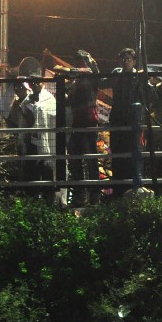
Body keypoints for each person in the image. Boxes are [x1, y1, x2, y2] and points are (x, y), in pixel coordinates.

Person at [59, 50, 100, 206]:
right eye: (77, 60)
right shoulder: (76, 82)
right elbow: (70, 101)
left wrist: (65, 71)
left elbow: (79, 71)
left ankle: (94, 195)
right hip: (78, 122)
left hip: (89, 121)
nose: (79, 63)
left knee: (90, 158)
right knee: (75, 157)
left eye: (82, 60)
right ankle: (80, 194)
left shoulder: (89, 74)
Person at [6, 77, 57, 200]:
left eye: (36, 82)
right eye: (32, 82)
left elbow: (52, 116)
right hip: (30, 141)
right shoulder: (25, 102)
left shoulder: (48, 98)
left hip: (46, 141)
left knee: (45, 168)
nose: (34, 85)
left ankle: (48, 198)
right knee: (30, 170)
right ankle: (32, 198)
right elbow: (20, 123)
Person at [107, 47, 147, 196]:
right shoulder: (116, 74)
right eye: (123, 59)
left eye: (128, 59)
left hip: (131, 120)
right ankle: (118, 190)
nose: (125, 62)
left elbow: (149, 97)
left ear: (134, 61)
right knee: (117, 153)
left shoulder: (138, 77)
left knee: (133, 153)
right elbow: (101, 81)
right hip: (118, 118)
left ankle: (131, 189)